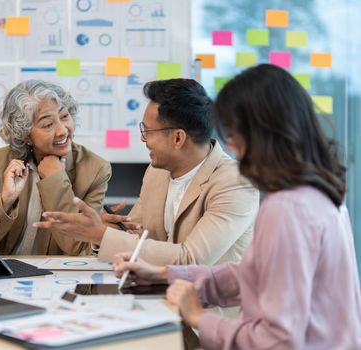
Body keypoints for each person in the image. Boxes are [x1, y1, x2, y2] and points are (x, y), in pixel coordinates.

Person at [113, 64, 361, 349]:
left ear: (260, 135)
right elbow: (252, 274)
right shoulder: (315, 193)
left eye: (234, 135)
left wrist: (198, 318)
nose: (232, 146)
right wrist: (166, 275)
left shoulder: (287, 209)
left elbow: (279, 340)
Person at [34, 78, 259, 266]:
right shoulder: (157, 171)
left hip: (204, 310)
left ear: (178, 138)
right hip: (154, 296)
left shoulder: (237, 183)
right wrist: (105, 230)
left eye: (147, 131)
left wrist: (100, 235)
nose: (142, 138)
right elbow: (138, 235)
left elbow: (190, 260)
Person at [0, 80, 111, 256]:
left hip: (59, 277)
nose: (62, 131)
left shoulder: (95, 169)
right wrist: (5, 199)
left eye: (65, 116)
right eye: (48, 125)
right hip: (5, 275)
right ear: (25, 135)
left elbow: (79, 247)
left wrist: (56, 181)